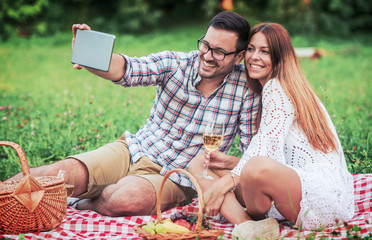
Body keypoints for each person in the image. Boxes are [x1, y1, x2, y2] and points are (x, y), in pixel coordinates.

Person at [7, 11, 260, 217]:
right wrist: (92, 56)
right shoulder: (176, 63)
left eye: (219, 51)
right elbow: (129, 69)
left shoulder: (247, 91)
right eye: (205, 45)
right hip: (135, 150)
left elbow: (251, 150)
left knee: (127, 197)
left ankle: (86, 204)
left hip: (179, 177)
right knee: (64, 171)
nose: (207, 55)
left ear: (238, 56)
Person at [189, 22, 354, 239]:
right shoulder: (283, 86)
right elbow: (270, 154)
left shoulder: (277, 88)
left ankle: (246, 219)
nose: (254, 57)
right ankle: (250, 226)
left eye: (264, 51)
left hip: (317, 197)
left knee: (254, 166)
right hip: (307, 185)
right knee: (201, 162)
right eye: (251, 49)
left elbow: (265, 150)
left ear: (280, 56)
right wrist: (227, 163)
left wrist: (222, 186)